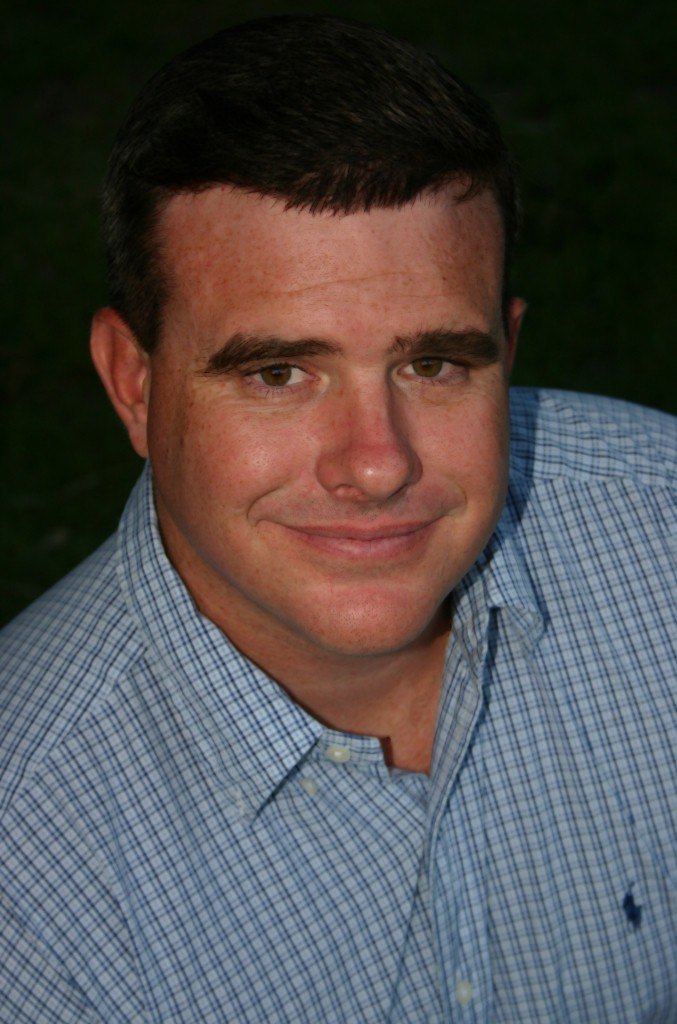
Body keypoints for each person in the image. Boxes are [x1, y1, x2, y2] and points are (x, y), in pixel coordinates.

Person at [0, 14, 674, 1023]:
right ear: (133, 382)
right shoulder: (27, 874)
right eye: (278, 373)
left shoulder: (662, 532)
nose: (376, 462)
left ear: (507, 350)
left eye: (433, 363)